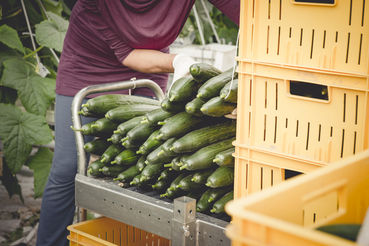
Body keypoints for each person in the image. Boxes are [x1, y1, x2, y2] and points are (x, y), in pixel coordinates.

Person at [36, 0, 239, 245]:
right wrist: (178, 61)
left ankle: (130, 237)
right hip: (87, 67)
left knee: (146, 164)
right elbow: (127, 54)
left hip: (148, 70)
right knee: (67, 168)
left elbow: (250, 14)